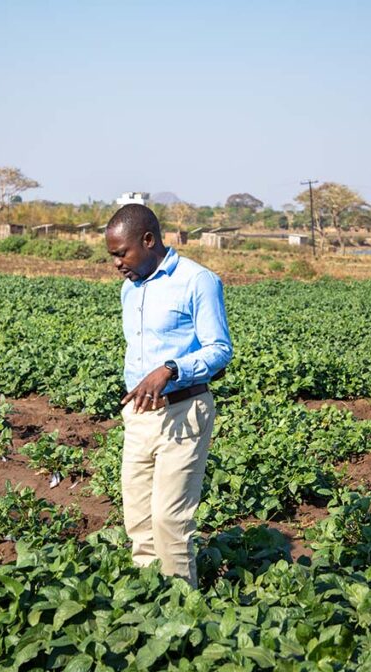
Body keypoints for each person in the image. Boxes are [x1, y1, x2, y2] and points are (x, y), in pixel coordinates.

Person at [104, 204, 233, 586]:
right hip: (140, 415)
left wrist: (171, 369)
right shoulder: (131, 288)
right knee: (139, 520)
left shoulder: (198, 281)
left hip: (184, 410)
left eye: (121, 253)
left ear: (149, 240)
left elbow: (219, 349)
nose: (116, 263)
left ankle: (181, 608)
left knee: (169, 521)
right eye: (111, 255)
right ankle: (150, 602)